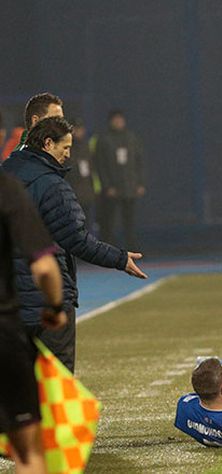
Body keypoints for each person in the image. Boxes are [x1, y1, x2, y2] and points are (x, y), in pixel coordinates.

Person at [2, 117, 147, 373]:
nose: (68, 154)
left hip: (9, 307)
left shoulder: (6, 177)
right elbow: (76, 239)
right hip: (45, 306)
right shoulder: (52, 185)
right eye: (65, 147)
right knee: (56, 388)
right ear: (48, 143)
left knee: (17, 393)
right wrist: (119, 258)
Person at [0, 173, 66, 474]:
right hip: (3, 333)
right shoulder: (7, 187)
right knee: (27, 452)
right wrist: (54, 307)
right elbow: (44, 266)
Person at [94, 110, 146, 249]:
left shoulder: (131, 138)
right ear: (110, 121)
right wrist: (107, 186)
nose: (118, 122)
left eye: (120, 119)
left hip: (129, 187)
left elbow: (139, 161)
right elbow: (100, 165)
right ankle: (108, 249)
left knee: (129, 221)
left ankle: (132, 248)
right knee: (109, 221)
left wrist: (140, 183)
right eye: (115, 119)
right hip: (112, 189)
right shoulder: (104, 140)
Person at [65, 119, 98, 229]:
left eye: (81, 129)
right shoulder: (66, 148)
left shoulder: (86, 147)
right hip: (72, 193)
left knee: (87, 224)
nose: (79, 132)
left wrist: (93, 190)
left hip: (87, 192)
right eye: (76, 129)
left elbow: (91, 169)